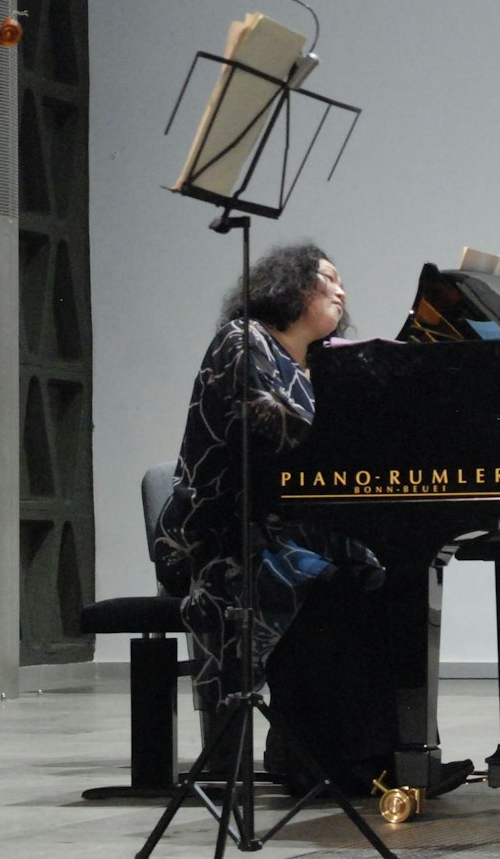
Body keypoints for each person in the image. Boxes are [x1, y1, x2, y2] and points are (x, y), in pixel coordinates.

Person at [150, 243, 394, 790]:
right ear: (290, 285)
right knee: (329, 589)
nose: (341, 289)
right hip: (225, 537)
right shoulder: (243, 341)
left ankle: (369, 756)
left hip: (289, 533)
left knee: (378, 580)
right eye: (328, 277)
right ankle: (330, 760)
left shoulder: (319, 365)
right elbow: (274, 433)